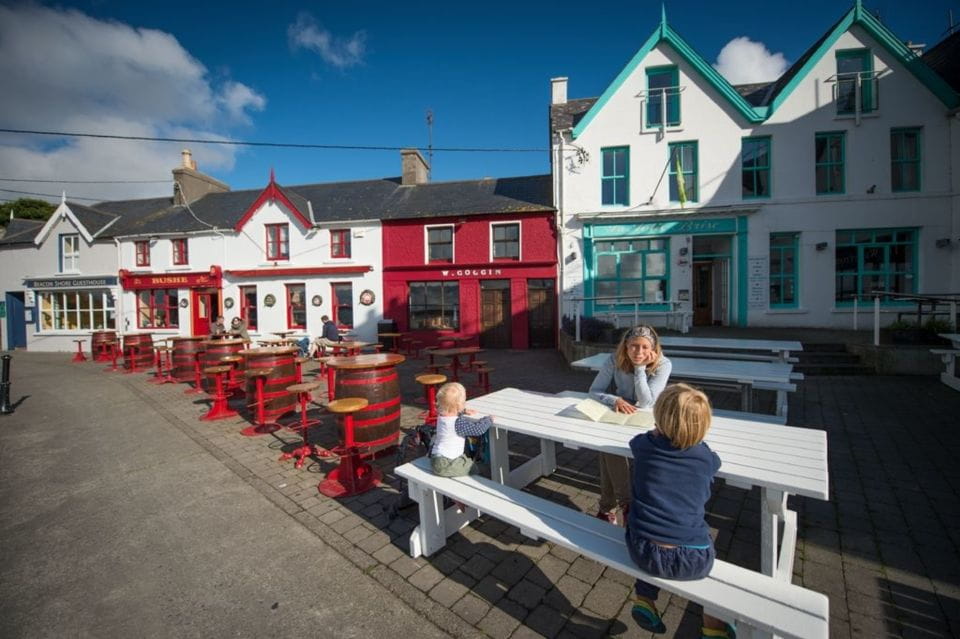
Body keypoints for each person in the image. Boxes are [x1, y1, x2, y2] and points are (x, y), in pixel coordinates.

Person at [625, 384, 733, 639]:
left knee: (648, 525)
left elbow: (635, 441)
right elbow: (716, 462)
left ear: (659, 419)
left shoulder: (645, 446)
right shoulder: (704, 457)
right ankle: (713, 626)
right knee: (707, 549)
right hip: (693, 557)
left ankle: (645, 599)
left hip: (643, 550)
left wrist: (655, 433)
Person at [588, 325, 672, 525]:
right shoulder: (614, 359)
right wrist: (614, 399)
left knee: (607, 450)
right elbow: (594, 391)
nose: (638, 352)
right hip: (621, 412)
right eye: (634, 346)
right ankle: (624, 506)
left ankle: (609, 508)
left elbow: (646, 402)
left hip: (650, 420)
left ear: (653, 348)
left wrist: (640, 368)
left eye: (644, 347)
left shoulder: (663, 364)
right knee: (608, 446)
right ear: (625, 346)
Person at [430, 382, 493, 478]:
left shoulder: (441, 416)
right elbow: (478, 430)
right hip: (448, 463)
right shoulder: (458, 423)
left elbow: (451, 410)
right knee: (474, 467)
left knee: (466, 461)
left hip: (436, 458)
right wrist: (488, 420)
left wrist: (463, 411)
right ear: (459, 405)